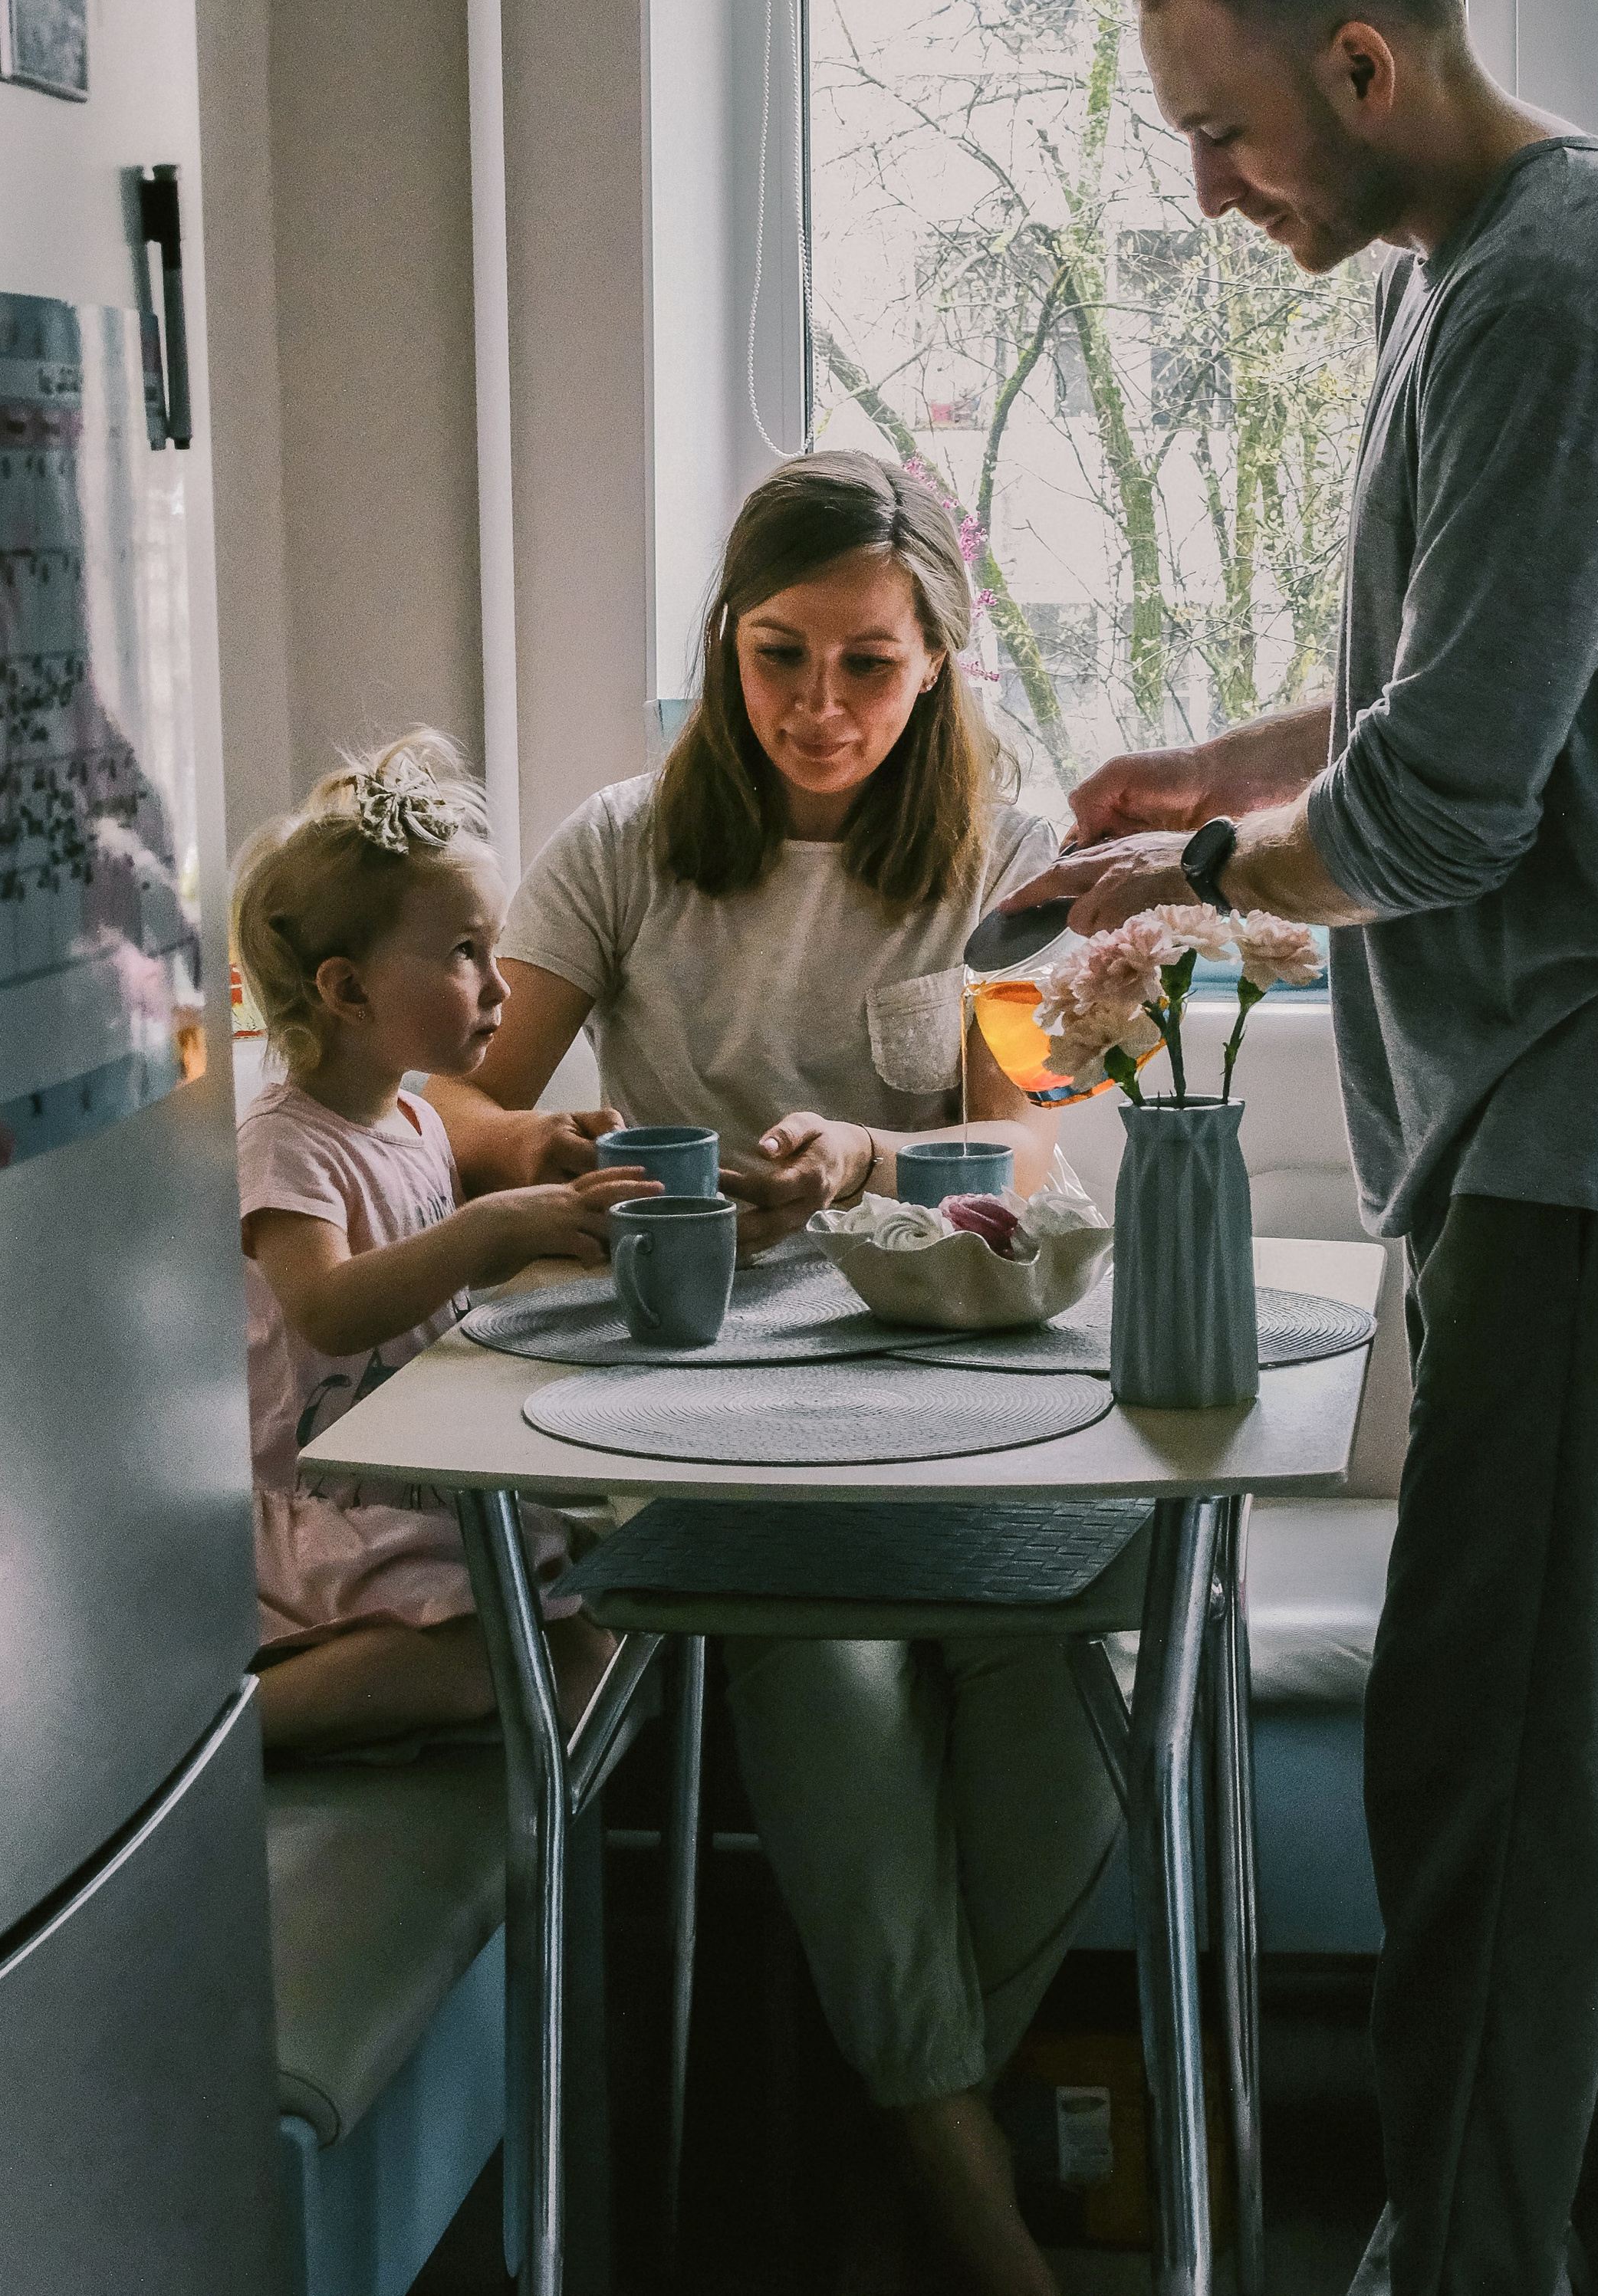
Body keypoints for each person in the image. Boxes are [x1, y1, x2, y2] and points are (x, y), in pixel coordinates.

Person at [1009, 0, 1598, 2296]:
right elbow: (1444, 694)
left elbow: (1444, 806)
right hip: (1579, 1128)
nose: (1207, 189)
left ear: (1364, 67)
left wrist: (1211, 892)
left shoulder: (1558, 300)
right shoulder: (1483, 279)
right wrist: (1200, 776)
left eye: (1226, 131)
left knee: (1490, 1778)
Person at [427, 452, 1119, 2296]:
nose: (819, 705)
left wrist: (871, 1156)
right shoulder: (619, 843)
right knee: (822, 1657)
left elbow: (1032, 1154)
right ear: (723, 647)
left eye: (869, 664)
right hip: (692, 1396)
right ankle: (965, 2212)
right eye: (776, 653)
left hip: (946, 1384)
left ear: (940, 662)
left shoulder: (1003, 851)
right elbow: (452, 1097)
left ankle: (904, 2138)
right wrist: (562, 1149)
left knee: (1078, 1677)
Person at [232, 732, 623, 1754]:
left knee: (592, 1651)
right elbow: (328, 1306)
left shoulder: (413, 1122)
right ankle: (223, 1743)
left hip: (413, 1491)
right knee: (492, 1652)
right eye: (463, 954)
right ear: (347, 991)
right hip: (324, 1512)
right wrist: (483, 1233)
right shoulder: (286, 1144)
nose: (500, 986)